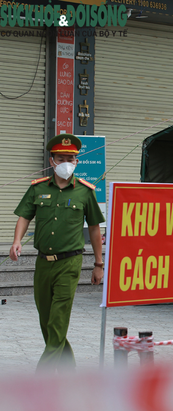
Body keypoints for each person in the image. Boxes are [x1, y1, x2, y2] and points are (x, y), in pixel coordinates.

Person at [9, 134, 105, 371]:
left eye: (70, 159)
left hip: (69, 263)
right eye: (61, 158)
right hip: (43, 263)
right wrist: (16, 241)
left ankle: (43, 377)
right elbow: (24, 216)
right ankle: (68, 371)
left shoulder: (85, 192)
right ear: (52, 161)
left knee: (58, 319)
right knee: (46, 320)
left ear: (77, 161)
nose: (66, 163)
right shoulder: (38, 188)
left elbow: (94, 228)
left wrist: (98, 264)